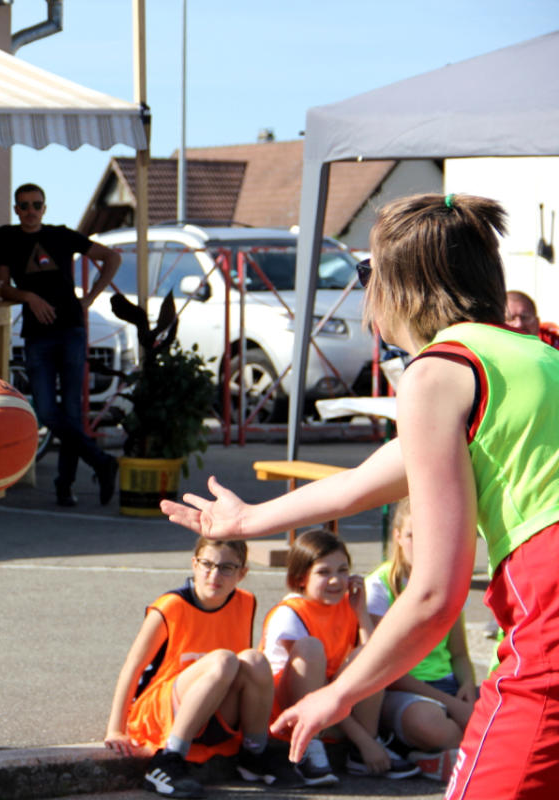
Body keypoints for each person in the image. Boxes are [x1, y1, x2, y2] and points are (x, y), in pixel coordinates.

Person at [161, 192, 559, 799]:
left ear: (402, 285)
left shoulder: (438, 371)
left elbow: (435, 593)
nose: (363, 289)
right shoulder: (532, 358)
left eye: (366, 271)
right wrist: (248, 519)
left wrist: (339, 694)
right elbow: (360, 483)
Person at [104, 537, 288, 797]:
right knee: (224, 660)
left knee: (255, 661)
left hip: (214, 708)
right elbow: (132, 668)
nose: (214, 575)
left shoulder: (245, 603)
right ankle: (168, 760)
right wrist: (115, 729)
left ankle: (254, 754)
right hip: (163, 712)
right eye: (207, 564)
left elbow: (244, 676)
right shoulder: (170, 606)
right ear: (194, 564)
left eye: (227, 568)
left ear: (242, 573)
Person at [0, 183, 121, 507]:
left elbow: (112, 257)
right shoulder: (5, 236)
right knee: (48, 411)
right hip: (37, 335)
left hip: (71, 329)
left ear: (45, 208)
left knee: (72, 413)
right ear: (16, 209)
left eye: (36, 205)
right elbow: (2, 287)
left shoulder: (61, 235)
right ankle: (102, 461)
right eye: (24, 205)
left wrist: (89, 299)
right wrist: (29, 296)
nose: (30, 211)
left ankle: (65, 486)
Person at [261, 528, 418, 785]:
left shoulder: (348, 605)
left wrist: (362, 613)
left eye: (342, 570)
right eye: (324, 572)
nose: (335, 580)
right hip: (290, 714)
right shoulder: (290, 613)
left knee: (370, 654)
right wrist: (364, 741)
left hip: (332, 711)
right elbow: (321, 689)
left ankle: (359, 751)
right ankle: (309, 746)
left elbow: (376, 662)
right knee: (310, 648)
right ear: (301, 578)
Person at [365, 498, 475, 782]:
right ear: (398, 537)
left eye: (430, 534)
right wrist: (454, 706)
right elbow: (383, 669)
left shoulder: (449, 582)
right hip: (403, 689)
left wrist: (466, 685)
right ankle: (467, 750)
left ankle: (447, 755)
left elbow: (459, 654)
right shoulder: (379, 586)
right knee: (429, 723)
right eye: (413, 535)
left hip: (447, 685)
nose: (423, 543)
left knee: (512, 709)